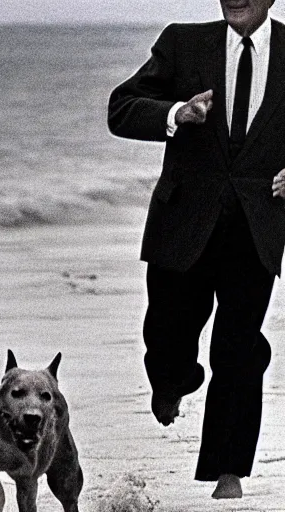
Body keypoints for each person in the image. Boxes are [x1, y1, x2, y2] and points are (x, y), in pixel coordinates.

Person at [108, 0, 285, 500]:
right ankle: (171, 380)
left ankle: (229, 470)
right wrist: (175, 113)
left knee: (239, 346)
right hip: (182, 223)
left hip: (257, 226)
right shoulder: (183, 43)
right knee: (167, 329)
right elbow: (120, 107)